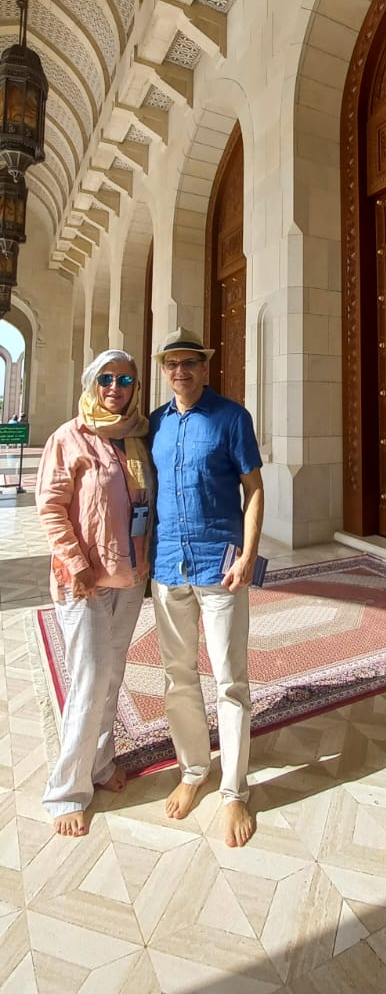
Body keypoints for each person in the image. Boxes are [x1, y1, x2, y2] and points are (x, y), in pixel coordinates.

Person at [149, 327, 264, 848]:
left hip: (219, 567)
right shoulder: (153, 424)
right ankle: (194, 769)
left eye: (189, 363)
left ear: (204, 366)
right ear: (164, 370)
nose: (180, 372)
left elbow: (254, 489)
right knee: (178, 675)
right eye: (172, 364)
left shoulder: (231, 418)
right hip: (168, 566)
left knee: (229, 680)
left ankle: (235, 790)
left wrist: (249, 553)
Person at [35, 350, 155, 837]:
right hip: (83, 581)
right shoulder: (70, 437)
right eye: (105, 378)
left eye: (125, 379)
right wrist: (79, 565)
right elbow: (50, 508)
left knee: (112, 673)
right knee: (88, 678)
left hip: (129, 576)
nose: (115, 387)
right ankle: (66, 790)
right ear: (92, 383)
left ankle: (99, 764)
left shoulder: (135, 437)